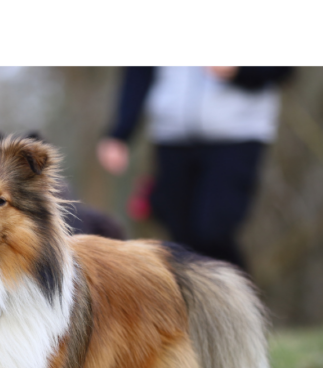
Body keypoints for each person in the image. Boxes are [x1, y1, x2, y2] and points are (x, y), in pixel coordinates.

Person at [98, 65, 293, 268]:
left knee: (212, 231)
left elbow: (283, 70)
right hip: (171, 136)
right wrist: (120, 132)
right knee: (180, 241)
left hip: (236, 136)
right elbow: (139, 72)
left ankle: (240, 297)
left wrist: (240, 70)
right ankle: (195, 298)